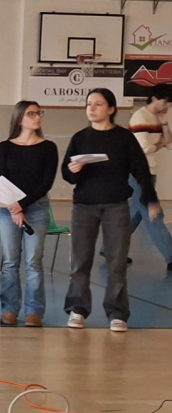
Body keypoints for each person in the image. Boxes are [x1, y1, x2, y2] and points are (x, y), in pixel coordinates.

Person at [62, 88, 159, 333]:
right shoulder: (79, 138)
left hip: (116, 206)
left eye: (98, 104)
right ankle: (78, 309)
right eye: (89, 104)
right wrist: (72, 170)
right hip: (84, 206)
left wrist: (150, 199)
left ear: (111, 109)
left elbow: (141, 170)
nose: (91, 108)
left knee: (117, 262)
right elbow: (67, 174)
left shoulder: (124, 138)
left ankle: (117, 313)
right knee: (81, 261)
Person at [0, 101, 58, 327]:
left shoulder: (48, 147)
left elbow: (46, 182)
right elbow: (1, 179)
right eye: (31, 113)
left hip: (36, 208)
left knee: (33, 260)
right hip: (8, 209)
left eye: (39, 112)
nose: (37, 117)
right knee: (10, 261)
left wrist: (21, 206)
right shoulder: (5, 147)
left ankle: (34, 311)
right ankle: (9, 308)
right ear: (20, 118)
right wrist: (13, 206)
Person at [126, 85, 172, 270]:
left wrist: (164, 123)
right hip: (136, 171)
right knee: (154, 213)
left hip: (150, 170)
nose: (167, 105)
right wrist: (160, 143)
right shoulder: (139, 117)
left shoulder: (156, 118)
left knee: (134, 213)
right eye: (165, 101)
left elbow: (169, 142)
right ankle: (171, 256)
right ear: (154, 98)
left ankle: (109, 248)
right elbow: (143, 148)